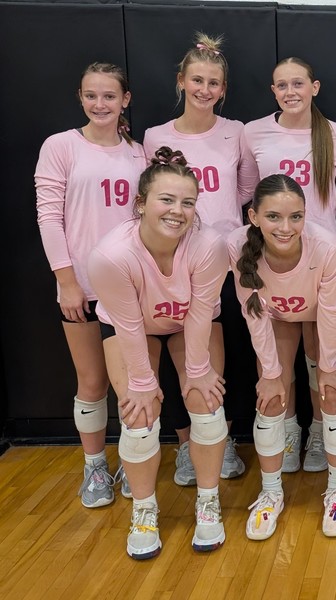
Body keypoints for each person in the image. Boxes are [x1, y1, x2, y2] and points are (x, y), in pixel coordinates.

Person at [89, 147, 229, 559]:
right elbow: (129, 326)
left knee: (205, 401)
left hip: (189, 324)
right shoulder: (111, 256)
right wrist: (141, 383)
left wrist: (199, 372)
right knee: (139, 414)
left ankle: (208, 502)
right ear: (141, 204)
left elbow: (202, 313)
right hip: (135, 327)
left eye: (188, 202)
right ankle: (145, 510)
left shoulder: (210, 246)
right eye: (167, 200)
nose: (178, 211)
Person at [143, 32, 256, 487]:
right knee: (175, 359)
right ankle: (188, 445)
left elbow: (245, 188)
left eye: (213, 83)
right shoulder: (155, 136)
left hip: (225, 262)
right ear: (181, 82)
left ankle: (221, 437)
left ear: (223, 89)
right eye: (197, 81)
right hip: (172, 264)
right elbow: (151, 198)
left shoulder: (236, 132)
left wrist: (219, 226)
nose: (205, 89)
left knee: (219, 357)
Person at [35, 62, 146, 508]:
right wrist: (66, 279)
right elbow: (48, 215)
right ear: (80, 97)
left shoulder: (139, 153)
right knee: (92, 381)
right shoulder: (61, 146)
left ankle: (132, 462)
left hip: (128, 286)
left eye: (109, 96)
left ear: (125, 100)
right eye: (91, 95)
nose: (100, 104)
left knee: (132, 382)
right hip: (81, 284)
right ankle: (95, 467)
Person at [243, 56, 336, 474]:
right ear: (273, 91)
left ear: (315, 87)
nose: (290, 92)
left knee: (322, 358)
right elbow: (246, 188)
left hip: (322, 258)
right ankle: (288, 428)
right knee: (273, 357)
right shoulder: (252, 131)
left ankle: (318, 432)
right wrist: (277, 224)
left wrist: (321, 214)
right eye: (281, 85)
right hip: (273, 258)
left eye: (298, 84)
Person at [229, 174, 336, 539]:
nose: (286, 228)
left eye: (296, 217)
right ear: (253, 216)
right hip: (276, 314)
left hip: (325, 312)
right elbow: (253, 312)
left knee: (330, 390)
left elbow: (330, 313)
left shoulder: (327, 247)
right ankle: (270, 494)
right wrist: (269, 373)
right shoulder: (237, 246)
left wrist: (329, 367)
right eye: (274, 217)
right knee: (270, 396)